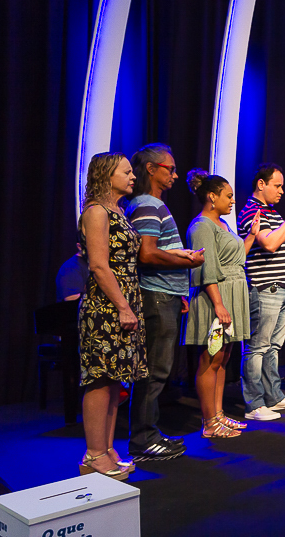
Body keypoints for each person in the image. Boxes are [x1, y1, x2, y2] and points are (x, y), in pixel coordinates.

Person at [126, 144, 204, 462]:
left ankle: (149, 434)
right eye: (169, 168)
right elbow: (146, 254)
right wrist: (185, 260)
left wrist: (179, 289)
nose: (174, 174)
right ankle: (143, 439)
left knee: (159, 370)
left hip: (166, 295)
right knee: (154, 371)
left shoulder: (154, 204)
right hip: (156, 295)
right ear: (151, 169)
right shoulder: (147, 204)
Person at [76, 152, 147, 480]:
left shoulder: (118, 211)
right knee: (100, 378)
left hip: (123, 302)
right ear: (107, 176)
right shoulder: (96, 212)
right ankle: (92, 455)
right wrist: (122, 305)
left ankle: (106, 449)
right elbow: (99, 265)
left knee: (115, 379)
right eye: (127, 171)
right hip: (105, 307)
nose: (133, 176)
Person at [184, 171, 256, 438]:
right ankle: (209, 423)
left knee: (222, 359)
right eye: (228, 196)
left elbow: (236, 258)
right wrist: (219, 305)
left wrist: (250, 236)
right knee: (210, 359)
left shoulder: (223, 225)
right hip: (216, 298)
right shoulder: (203, 226)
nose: (233, 201)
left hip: (232, 295)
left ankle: (219, 415)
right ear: (212, 197)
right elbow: (207, 269)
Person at [238, 164, 285, 422]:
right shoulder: (251, 211)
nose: (282, 190)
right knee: (257, 348)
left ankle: (274, 397)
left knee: (273, 347)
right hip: (265, 288)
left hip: (283, 288)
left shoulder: (272, 213)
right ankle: (253, 404)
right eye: (277, 185)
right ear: (261, 184)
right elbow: (269, 244)